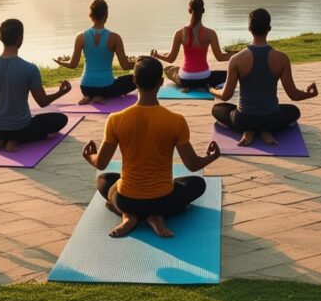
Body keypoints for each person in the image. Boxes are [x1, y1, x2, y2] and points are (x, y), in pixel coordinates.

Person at [83, 56, 220, 238]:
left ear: (134, 80)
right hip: (163, 201)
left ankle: (128, 216)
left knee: (103, 180)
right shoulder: (176, 120)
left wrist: (90, 156)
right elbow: (193, 165)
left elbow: (100, 163)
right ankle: (156, 217)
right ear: (161, 82)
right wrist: (211, 156)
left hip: (126, 200)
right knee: (197, 183)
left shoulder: (115, 119)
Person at [0, 19, 72, 152]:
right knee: (60, 119)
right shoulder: (30, 68)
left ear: (0, 38)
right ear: (20, 39)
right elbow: (42, 102)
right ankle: (14, 140)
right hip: (22, 129)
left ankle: (1, 140)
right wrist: (61, 92)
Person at [210, 8, 318, 147]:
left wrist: (213, 90)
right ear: (269, 29)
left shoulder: (236, 59)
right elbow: (294, 95)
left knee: (217, 109)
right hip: (272, 119)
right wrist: (310, 94)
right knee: (293, 111)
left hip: (243, 119)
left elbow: (225, 95)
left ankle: (249, 131)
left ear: (249, 29)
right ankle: (265, 131)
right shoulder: (282, 58)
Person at [54, 0, 136, 105]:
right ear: (106, 15)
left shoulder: (80, 37)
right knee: (135, 79)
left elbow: (73, 64)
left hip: (85, 86)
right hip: (106, 87)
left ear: (91, 15)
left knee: (109, 81)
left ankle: (89, 96)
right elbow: (125, 66)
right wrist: (140, 61)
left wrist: (61, 62)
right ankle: (100, 96)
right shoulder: (114, 38)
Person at [151, 0, 235, 91]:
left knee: (168, 69)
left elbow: (171, 59)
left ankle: (187, 87)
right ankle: (207, 86)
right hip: (204, 78)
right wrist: (237, 54)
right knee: (228, 74)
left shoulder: (179, 33)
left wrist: (157, 55)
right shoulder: (210, 33)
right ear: (203, 11)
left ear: (189, 11)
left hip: (185, 80)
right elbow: (220, 57)